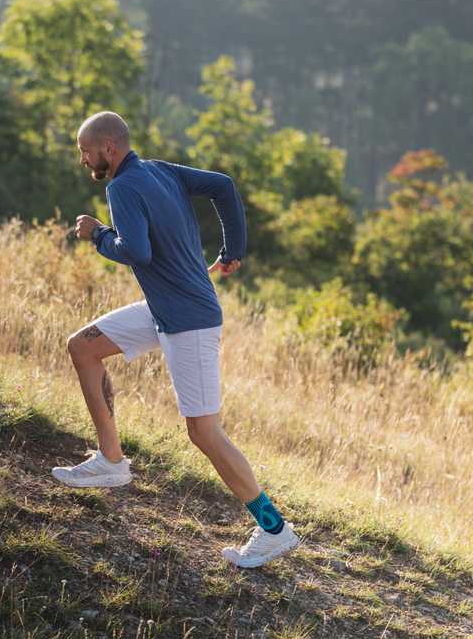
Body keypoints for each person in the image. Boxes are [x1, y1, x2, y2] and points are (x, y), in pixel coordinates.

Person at [51, 111, 299, 568]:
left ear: (109, 147)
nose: (83, 159)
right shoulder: (162, 171)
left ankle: (273, 528)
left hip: (189, 321)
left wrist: (98, 235)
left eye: (87, 151)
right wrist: (233, 249)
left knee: (204, 432)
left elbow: (136, 251)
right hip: (165, 309)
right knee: (83, 347)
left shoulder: (121, 187)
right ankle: (111, 461)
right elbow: (223, 186)